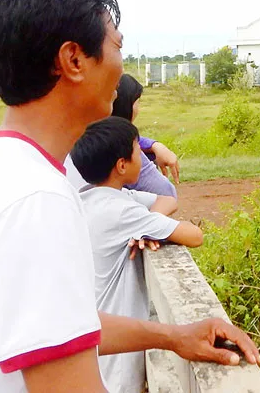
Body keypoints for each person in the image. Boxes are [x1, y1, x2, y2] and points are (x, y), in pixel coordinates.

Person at [0, 0, 259, 392]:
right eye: (116, 44)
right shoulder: (35, 199)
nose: (122, 62)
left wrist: (172, 335)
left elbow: (56, 326)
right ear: (74, 59)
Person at [71, 116, 203, 393]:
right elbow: (194, 235)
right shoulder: (122, 212)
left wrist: (146, 227)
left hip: (98, 343)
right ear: (121, 165)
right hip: (117, 363)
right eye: (137, 151)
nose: (143, 158)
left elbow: (168, 201)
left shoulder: (92, 200)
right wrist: (146, 226)